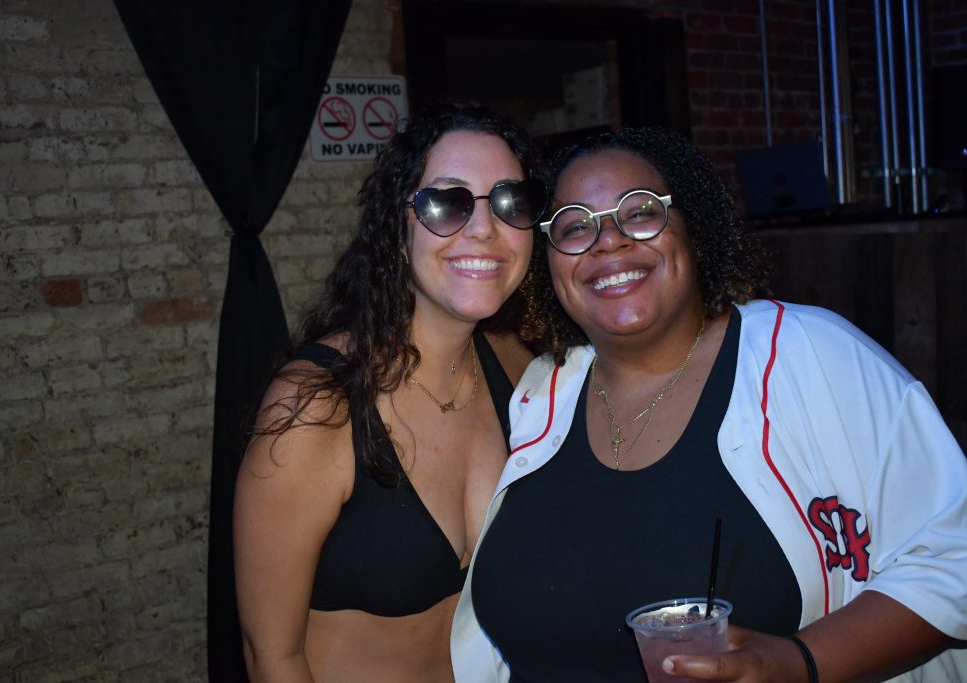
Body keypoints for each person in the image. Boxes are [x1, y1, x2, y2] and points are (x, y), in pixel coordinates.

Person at [451, 127, 967, 682]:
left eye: (640, 212)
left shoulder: (810, 355)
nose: (608, 242)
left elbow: (954, 555)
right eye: (575, 226)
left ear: (692, 229)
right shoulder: (542, 393)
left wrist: (800, 662)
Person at [233, 100, 549, 682]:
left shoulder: (514, 366)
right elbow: (270, 657)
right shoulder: (317, 403)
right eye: (447, 203)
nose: (484, 229)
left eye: (510, 202)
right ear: (397, 231)